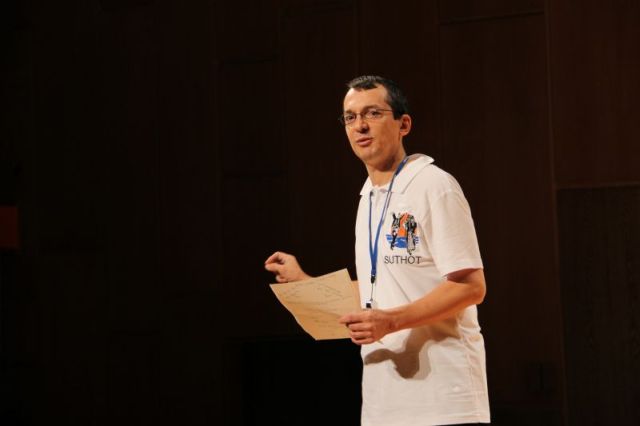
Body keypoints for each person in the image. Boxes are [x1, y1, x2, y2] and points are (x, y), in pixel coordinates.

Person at [265, 76, 490, 426]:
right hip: (383, 403)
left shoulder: (433, 185)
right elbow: (377, 292)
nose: (360, 125)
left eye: (372, 113)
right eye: (350, 117)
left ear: (404, 124)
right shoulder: (368, 197)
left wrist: (392, 321)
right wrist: (304, 281)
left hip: (444, 400)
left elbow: (471, 287)